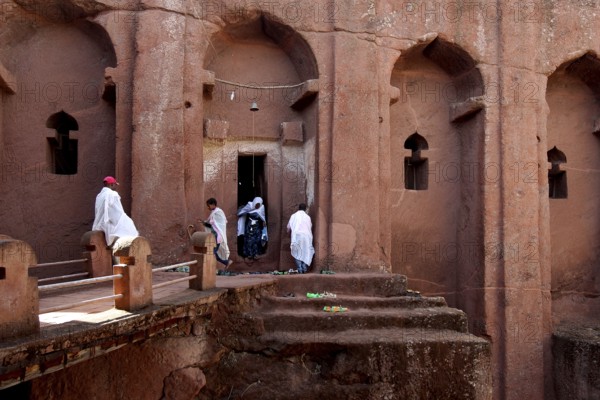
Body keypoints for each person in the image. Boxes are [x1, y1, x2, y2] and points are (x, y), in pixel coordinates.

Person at [92, 176, 138, 247]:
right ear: (111, 184)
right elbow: (117, 213)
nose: (115, 187)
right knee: (130, 226)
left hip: (99, 225)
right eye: (115, 185)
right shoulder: (113, 194)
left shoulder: (99, 196)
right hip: (109, 224)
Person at [203, 198, 233, 268]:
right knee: (213, 253)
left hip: (218, 237)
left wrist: (208, 223)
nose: (208, 207)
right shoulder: (214, 213)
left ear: (213, 204)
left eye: (208, 205)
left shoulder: (218, 212)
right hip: (214, 236)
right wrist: (204, 223)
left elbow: (219, 224)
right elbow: (212, 225)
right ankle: (227, 262)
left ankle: (208, 268)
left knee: (212, 252)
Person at [237, 196, 268, 260]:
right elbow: (241, 212)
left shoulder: (261, 207)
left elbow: (262, 217)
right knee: (249, 240)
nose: (257, 206)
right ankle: (249, 254)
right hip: (249, 226)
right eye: (256, 205)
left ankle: (256, 254)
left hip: (257, 227)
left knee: (257, 240)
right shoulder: (250, 206)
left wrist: (264, 223)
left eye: (258, 205)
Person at [286, 203, 314, 273]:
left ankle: (300, 269)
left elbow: (288, 227)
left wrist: (288, 233)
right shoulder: (308, 217)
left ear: (299, 208)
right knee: (306, 251)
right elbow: (310, 226)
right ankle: (304, 268)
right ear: (305, 209)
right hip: (307, 237)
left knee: (297, 252)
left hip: (297, 236)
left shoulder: (293, 216)